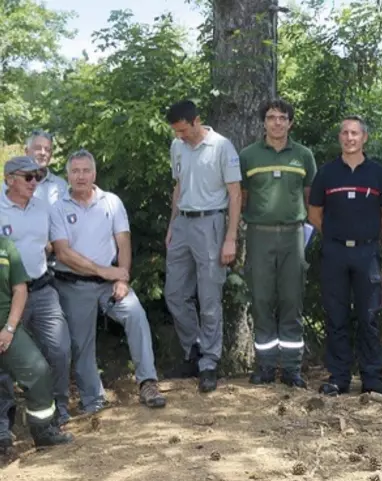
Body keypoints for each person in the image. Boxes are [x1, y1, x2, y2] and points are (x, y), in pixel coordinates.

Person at [50, 149, 166, 412]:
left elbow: (123, 241)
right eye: (75, 171)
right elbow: (63, 252)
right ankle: (94, 401)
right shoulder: (58, 208)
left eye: (85, 170)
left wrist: (122, 277)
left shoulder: (111, 202)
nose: (81, 176)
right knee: (81, 343)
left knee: (135, 314)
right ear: (67, 175)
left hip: (111, 284)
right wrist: (105, 271)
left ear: (94, 173)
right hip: (74, 284)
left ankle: (148, 382)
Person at [307, 115, 382, 397]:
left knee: (369, 316)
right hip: (334, 252)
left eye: (355, 133)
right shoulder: (327, 173)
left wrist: (366, 235)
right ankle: (339, 377)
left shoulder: (378, 174)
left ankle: (371, 378)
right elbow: (314, 214)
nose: (349, 138)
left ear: (364, 138)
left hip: (367, 252)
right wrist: (336, 235)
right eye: (344, 133)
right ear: (340, 138)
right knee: (336, 316)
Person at [164, 100, 242, 393]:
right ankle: (193, 350)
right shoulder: (177, 147)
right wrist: (172, 225)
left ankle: (209, 363)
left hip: (211, 224)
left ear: (196, 121)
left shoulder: (222, 147)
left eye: (183, 130)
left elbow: (235, 195)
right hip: (183, 223)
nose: (179, 136)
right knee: (174, 294)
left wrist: (230, 237)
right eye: (175, 131)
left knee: (209, 299)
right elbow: (178, 187)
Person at [239, 98, 317, 388]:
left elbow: (311, 197)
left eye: (282, 118)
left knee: (292, 299)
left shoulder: (304, 156)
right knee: (261, 299)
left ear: (290, 122)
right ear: (263, 122)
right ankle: (266, 367)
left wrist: (307, 228)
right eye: (271, 117)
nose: (277, 123)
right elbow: (241, 197)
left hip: (293, 234)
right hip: (259, 234)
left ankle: (292, 370)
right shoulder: (248, 156)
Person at [0, 157, 73, 428]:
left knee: (60, 349)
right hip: (6, 297)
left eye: (38, 176)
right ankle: (4, 423)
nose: (35, 182)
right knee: (4, 357)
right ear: (9, 179)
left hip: (41, 289)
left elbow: (53, 245)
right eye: (28, 177)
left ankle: (57, 411)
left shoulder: (43, 208)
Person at [0, 233, 73, 449]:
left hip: (6, 327)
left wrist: (9, 329)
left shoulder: (5, 246)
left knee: (38, 370)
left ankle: (43, 431)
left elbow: (20, 289)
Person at [1, 130, 67, 207]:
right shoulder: (13, 182)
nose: (43, 153)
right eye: (38, 148)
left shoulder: (60, 185)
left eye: (47, 150)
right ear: (27, 151)